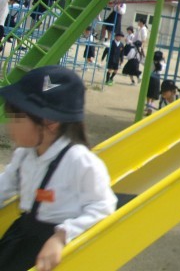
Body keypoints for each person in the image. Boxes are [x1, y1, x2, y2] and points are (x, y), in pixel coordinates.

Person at [0, 65, 117, 270]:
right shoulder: (25, 154)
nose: (10, 125)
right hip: (22, 234)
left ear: (50, 122)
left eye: (17, 118)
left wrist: (61, 236)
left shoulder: (79, 161)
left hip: (53, 244)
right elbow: (4, 185)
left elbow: (104, 206)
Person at [145, 52, 164, 116]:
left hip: (150, 78)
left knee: (149, 94)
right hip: (157, 78)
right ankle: (151, 105)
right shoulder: (162, 63)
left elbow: (145, 64)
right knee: (153, 94)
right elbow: (163, 68)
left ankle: (148, 105)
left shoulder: (150, 62)